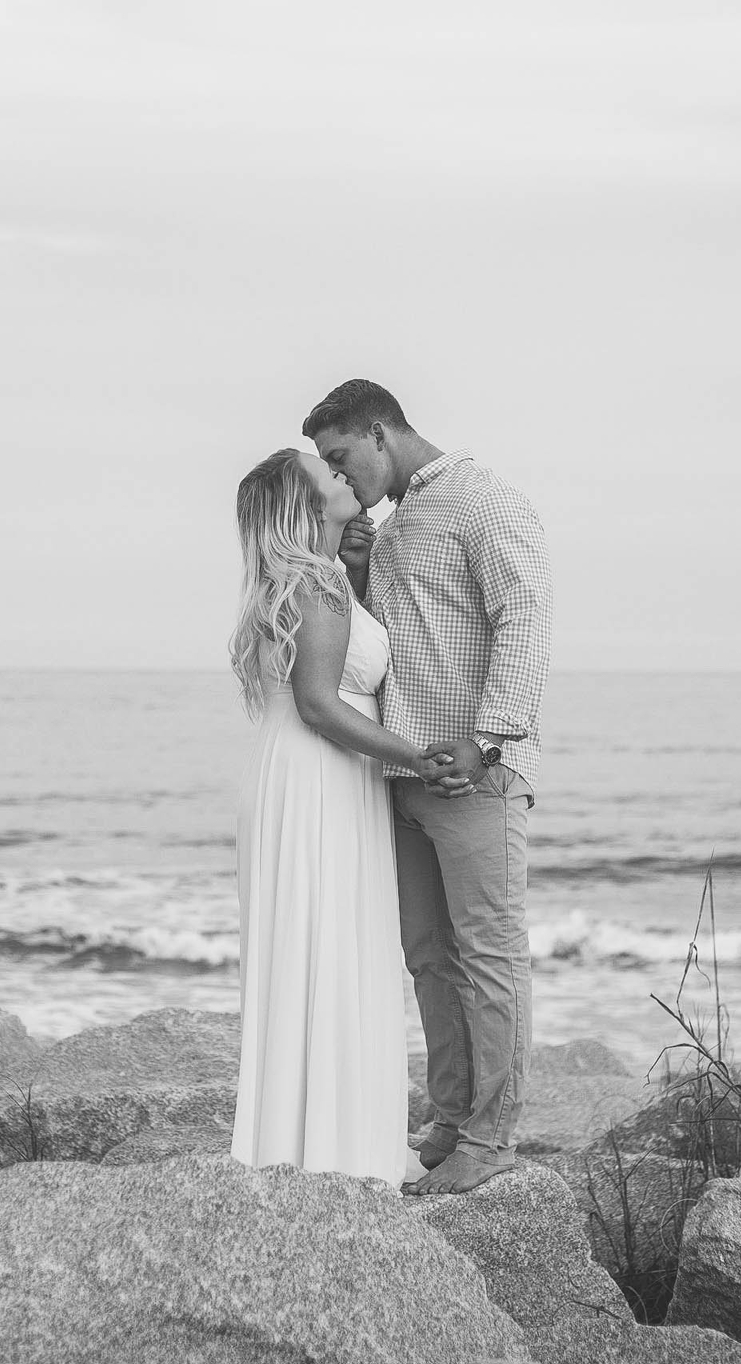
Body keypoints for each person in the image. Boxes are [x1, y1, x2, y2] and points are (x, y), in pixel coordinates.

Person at [305, 379, 554, 1196]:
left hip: (477, 774)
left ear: (380, 433)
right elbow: (388, 640)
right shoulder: (392, 522)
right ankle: (453, 1118)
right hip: (405, 773)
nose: (339, 477)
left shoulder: (485, 502)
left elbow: (526, 616)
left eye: (341, 457)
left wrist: (488, 739)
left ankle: (493, 1137)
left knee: (490, 958)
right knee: (428, 959)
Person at [227, 448, 466, 1186]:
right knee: (329, 943)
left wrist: (356, 573)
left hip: (303, 775)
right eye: (327, 475)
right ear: (307, 505)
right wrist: (417, 756)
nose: (341, 476)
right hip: (323, 776)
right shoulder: (315, 583)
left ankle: (308, 1136)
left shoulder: (315, 580)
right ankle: (335, 1148)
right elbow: (323, 705)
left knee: (320, 942)